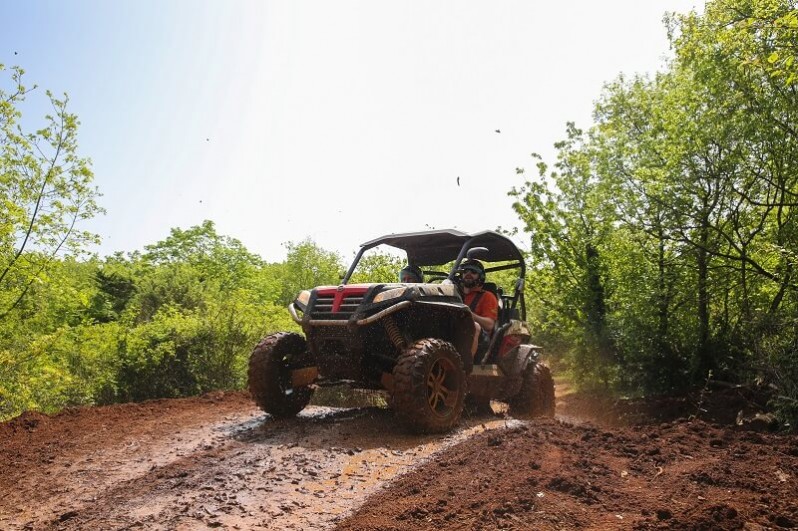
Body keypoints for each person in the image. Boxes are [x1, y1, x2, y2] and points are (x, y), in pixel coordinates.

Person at [457, 259, 498, 359]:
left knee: (474, 326)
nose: (468, 274)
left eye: (473, 272)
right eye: (465, 271)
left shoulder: (487, 296)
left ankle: (466, 364)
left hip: (481, 342)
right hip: (455, 333)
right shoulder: (455, 294)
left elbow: (489, 325)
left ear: (481, 276)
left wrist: (469, 314)